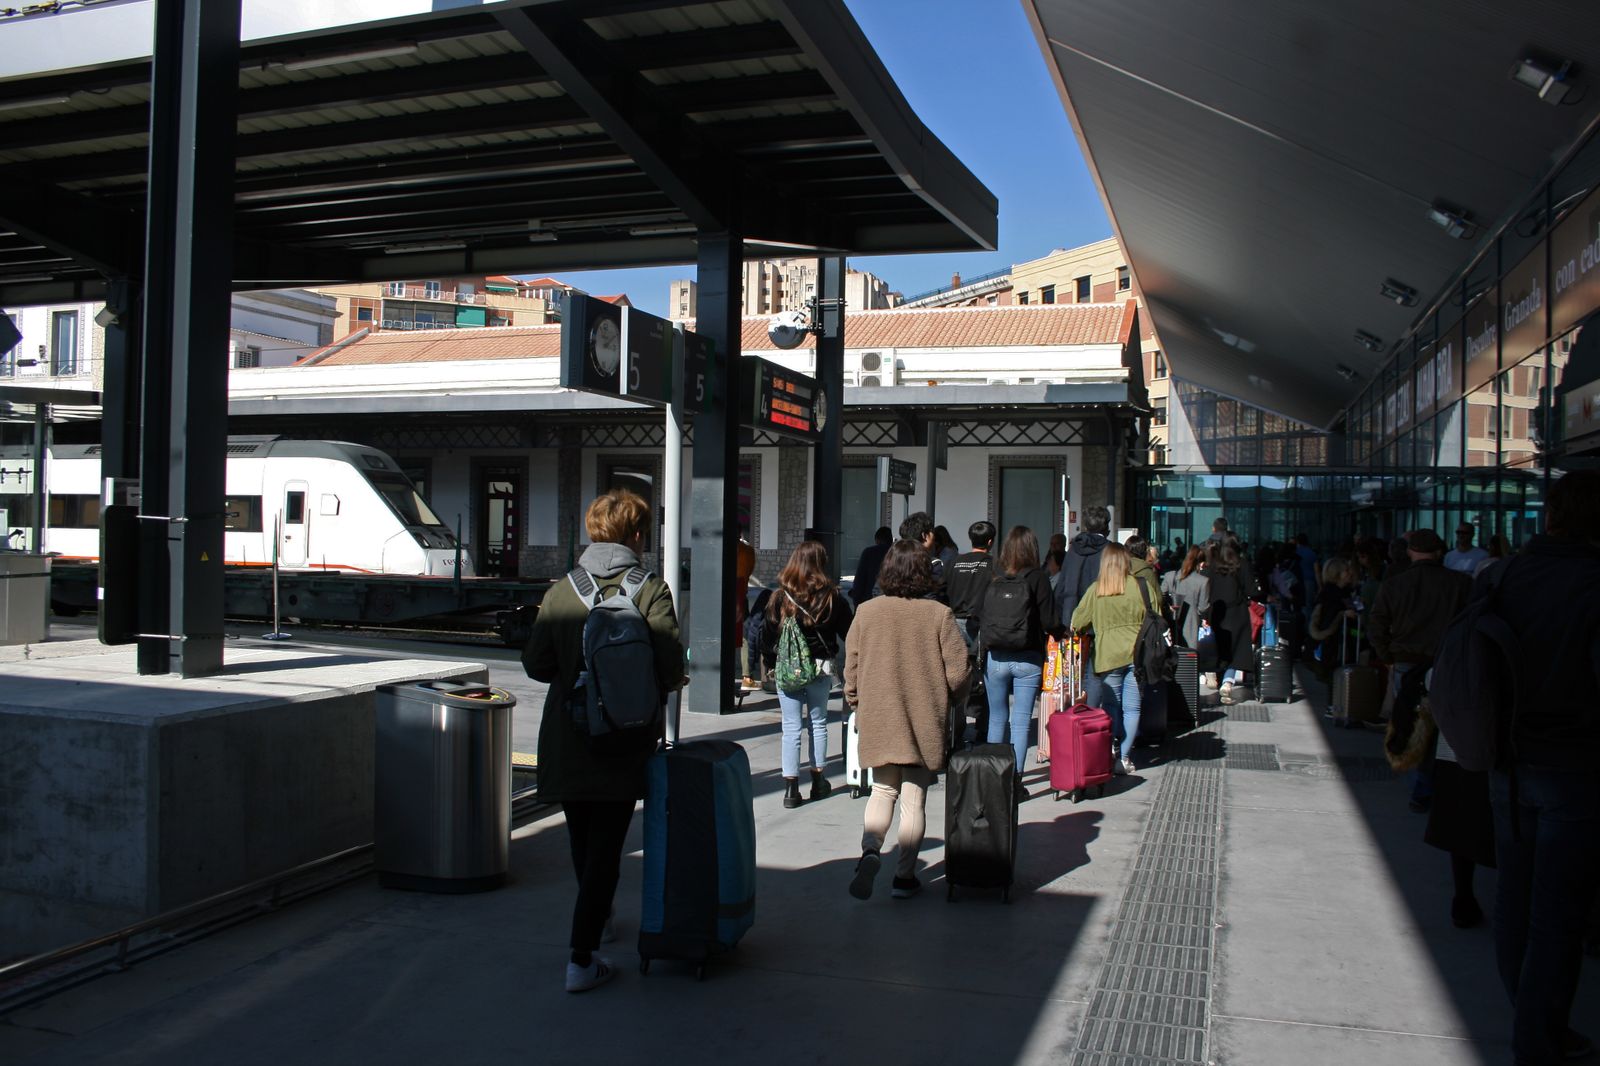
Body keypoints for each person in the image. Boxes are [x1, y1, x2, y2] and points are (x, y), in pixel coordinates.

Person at [522, 488, 683, 993]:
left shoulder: (562, 591)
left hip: (569, 738)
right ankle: (581, 957)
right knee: (607, 849)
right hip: (624, 739)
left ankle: (599, 917)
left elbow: (535, 663)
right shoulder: (650, 590)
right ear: (636, 535)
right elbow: (672, 669)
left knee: (583, 840)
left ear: (595, 532)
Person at [1477, 469, 1600, 1064]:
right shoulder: (1593, 582)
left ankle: (1532, 1017)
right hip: (1574, 764)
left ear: (1550, 516)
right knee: (1559, 914)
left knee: (1516, 899)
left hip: (1510, 758)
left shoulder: (1507, 575)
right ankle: (1538, 1034)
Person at [843, 540, 970, 901]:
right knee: (914, 798)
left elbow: (850, 668)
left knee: (883, 790)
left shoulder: (866, 612)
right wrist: (957, 700)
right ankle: (904, 877)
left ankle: (870, 850)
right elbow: (958, 673)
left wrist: (855, 701)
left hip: (879, 712)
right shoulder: (938, 615)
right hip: (923, 716)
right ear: (923, 573)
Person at [1369, 529, 1471, 813]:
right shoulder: (1461, 584)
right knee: (1444, 727)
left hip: (1407, 662)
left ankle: (1420, 786)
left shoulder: (1395, 584)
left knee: (1411, 723)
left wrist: (1387, 654)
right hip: (1447, 663)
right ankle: (1433, 784)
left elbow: (1376, 622)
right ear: (1440, 552)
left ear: (1412, 552)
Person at [761, 540, 853, 809]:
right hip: (820, 669)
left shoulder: (779, 597)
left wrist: (771, 662)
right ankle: (818, 781)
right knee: (818, 723)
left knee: (790, 727)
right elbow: (850, 631)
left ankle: (790, 788)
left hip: (788, 670)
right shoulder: (832, 596)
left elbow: (766, 636)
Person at [980, 525, 1059, 775]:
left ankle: (994, 780)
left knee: (996, 718)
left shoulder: (996, 576)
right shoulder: (1038, 577)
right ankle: (1015, 780)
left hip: (996, 658)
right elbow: (1049, 621)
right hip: (1028, 658)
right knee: (1021, 721)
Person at [1071, 543, 1150, 776]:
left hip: (1107, 656)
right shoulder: (1139, 586)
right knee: (1133, 708)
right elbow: (1155, 613)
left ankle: (1112, 748)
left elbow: (1077, 621)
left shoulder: (1097, 590)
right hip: (1137, 653)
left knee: (1112, 706)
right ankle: (1124, 757)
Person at [947, 521, 997, 744]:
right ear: (990, 542)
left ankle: (956, 728)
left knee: (957, 676)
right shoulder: (993, 564)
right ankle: (982, 728)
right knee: (984, 676)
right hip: (981, 624)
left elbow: (941, 587)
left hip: (956, 622)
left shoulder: (955, 562)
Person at [1205, 540, 1254, 705]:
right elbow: (1250, 589)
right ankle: (1227, 680)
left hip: (1217, 612)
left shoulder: (1212, 567)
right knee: (1236, 647)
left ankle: (1220, 676)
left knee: (1220, 646)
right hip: (1237, 611)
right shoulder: (1242, 565)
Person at [1056, 504, 1111, 628]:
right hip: (1102, 619)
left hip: (1072, 617)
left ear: (1086, 526)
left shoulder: (1074, 550)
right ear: (1106, 526)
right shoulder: (1111, 551)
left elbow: (1062, 585)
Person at [849, 526, 892, 609]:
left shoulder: (869, 553)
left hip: (869, 601)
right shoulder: (897, 553)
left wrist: (857, 603)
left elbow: (859, 580)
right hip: (890, 603)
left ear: (877, 540)